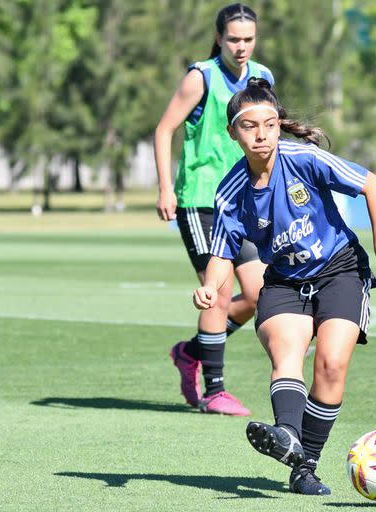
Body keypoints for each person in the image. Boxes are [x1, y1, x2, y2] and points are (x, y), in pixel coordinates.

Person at [192, 78, 376, 495]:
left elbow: (373, 185)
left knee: (330, 364)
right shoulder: (230, 192)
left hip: (340, 270)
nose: (262, 135)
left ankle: (303, 465)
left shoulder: (304, 158)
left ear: (279, 126)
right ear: (232, 133)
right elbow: (222, 252)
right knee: (285, 352)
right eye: (250, 126)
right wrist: (210, 286)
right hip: (284, 282)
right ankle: (289, 438)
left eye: (270, 124)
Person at [154, 4, 274, 415]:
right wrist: (166, 187)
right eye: (233, 39)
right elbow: (164, 128)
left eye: (248, 39)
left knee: (260, 294)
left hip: (242, 201)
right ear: (220, 38)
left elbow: (269, 132)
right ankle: (215, 390)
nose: (241, 47)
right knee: (219, 292)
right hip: (201, 201)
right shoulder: (200, 77)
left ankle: (191, 351)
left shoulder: (262, 77)